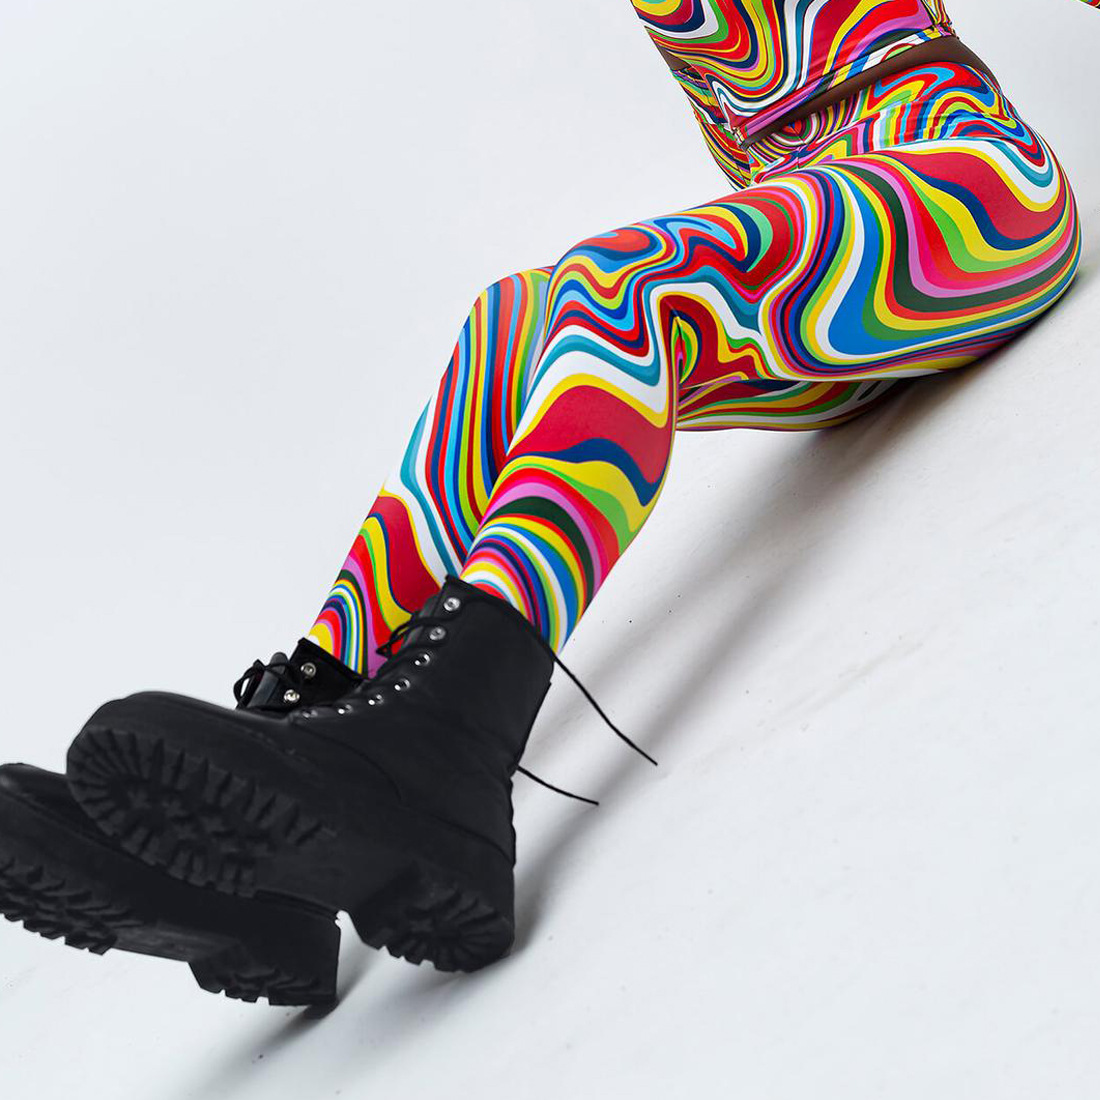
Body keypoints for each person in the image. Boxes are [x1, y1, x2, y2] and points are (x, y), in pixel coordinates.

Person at [1, 0, 1080, 1005]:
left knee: (628, 285)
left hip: (968, 200)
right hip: (824, 272)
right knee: (513, 320)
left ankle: (445, 744)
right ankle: (282, 803)